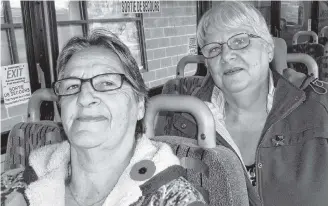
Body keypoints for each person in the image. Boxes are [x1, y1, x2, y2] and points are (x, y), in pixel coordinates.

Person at [1, 29, 206, 206]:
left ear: (140, 106)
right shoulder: (11, 188)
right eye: (72, 86)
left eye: (107, 83)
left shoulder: (176, 199)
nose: (85, 97)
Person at [156, 1, 328, 206]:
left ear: (268, 48)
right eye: (213, 49)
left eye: (240, 41)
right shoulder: (181, 122)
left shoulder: (320, 108)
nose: (226, 56)